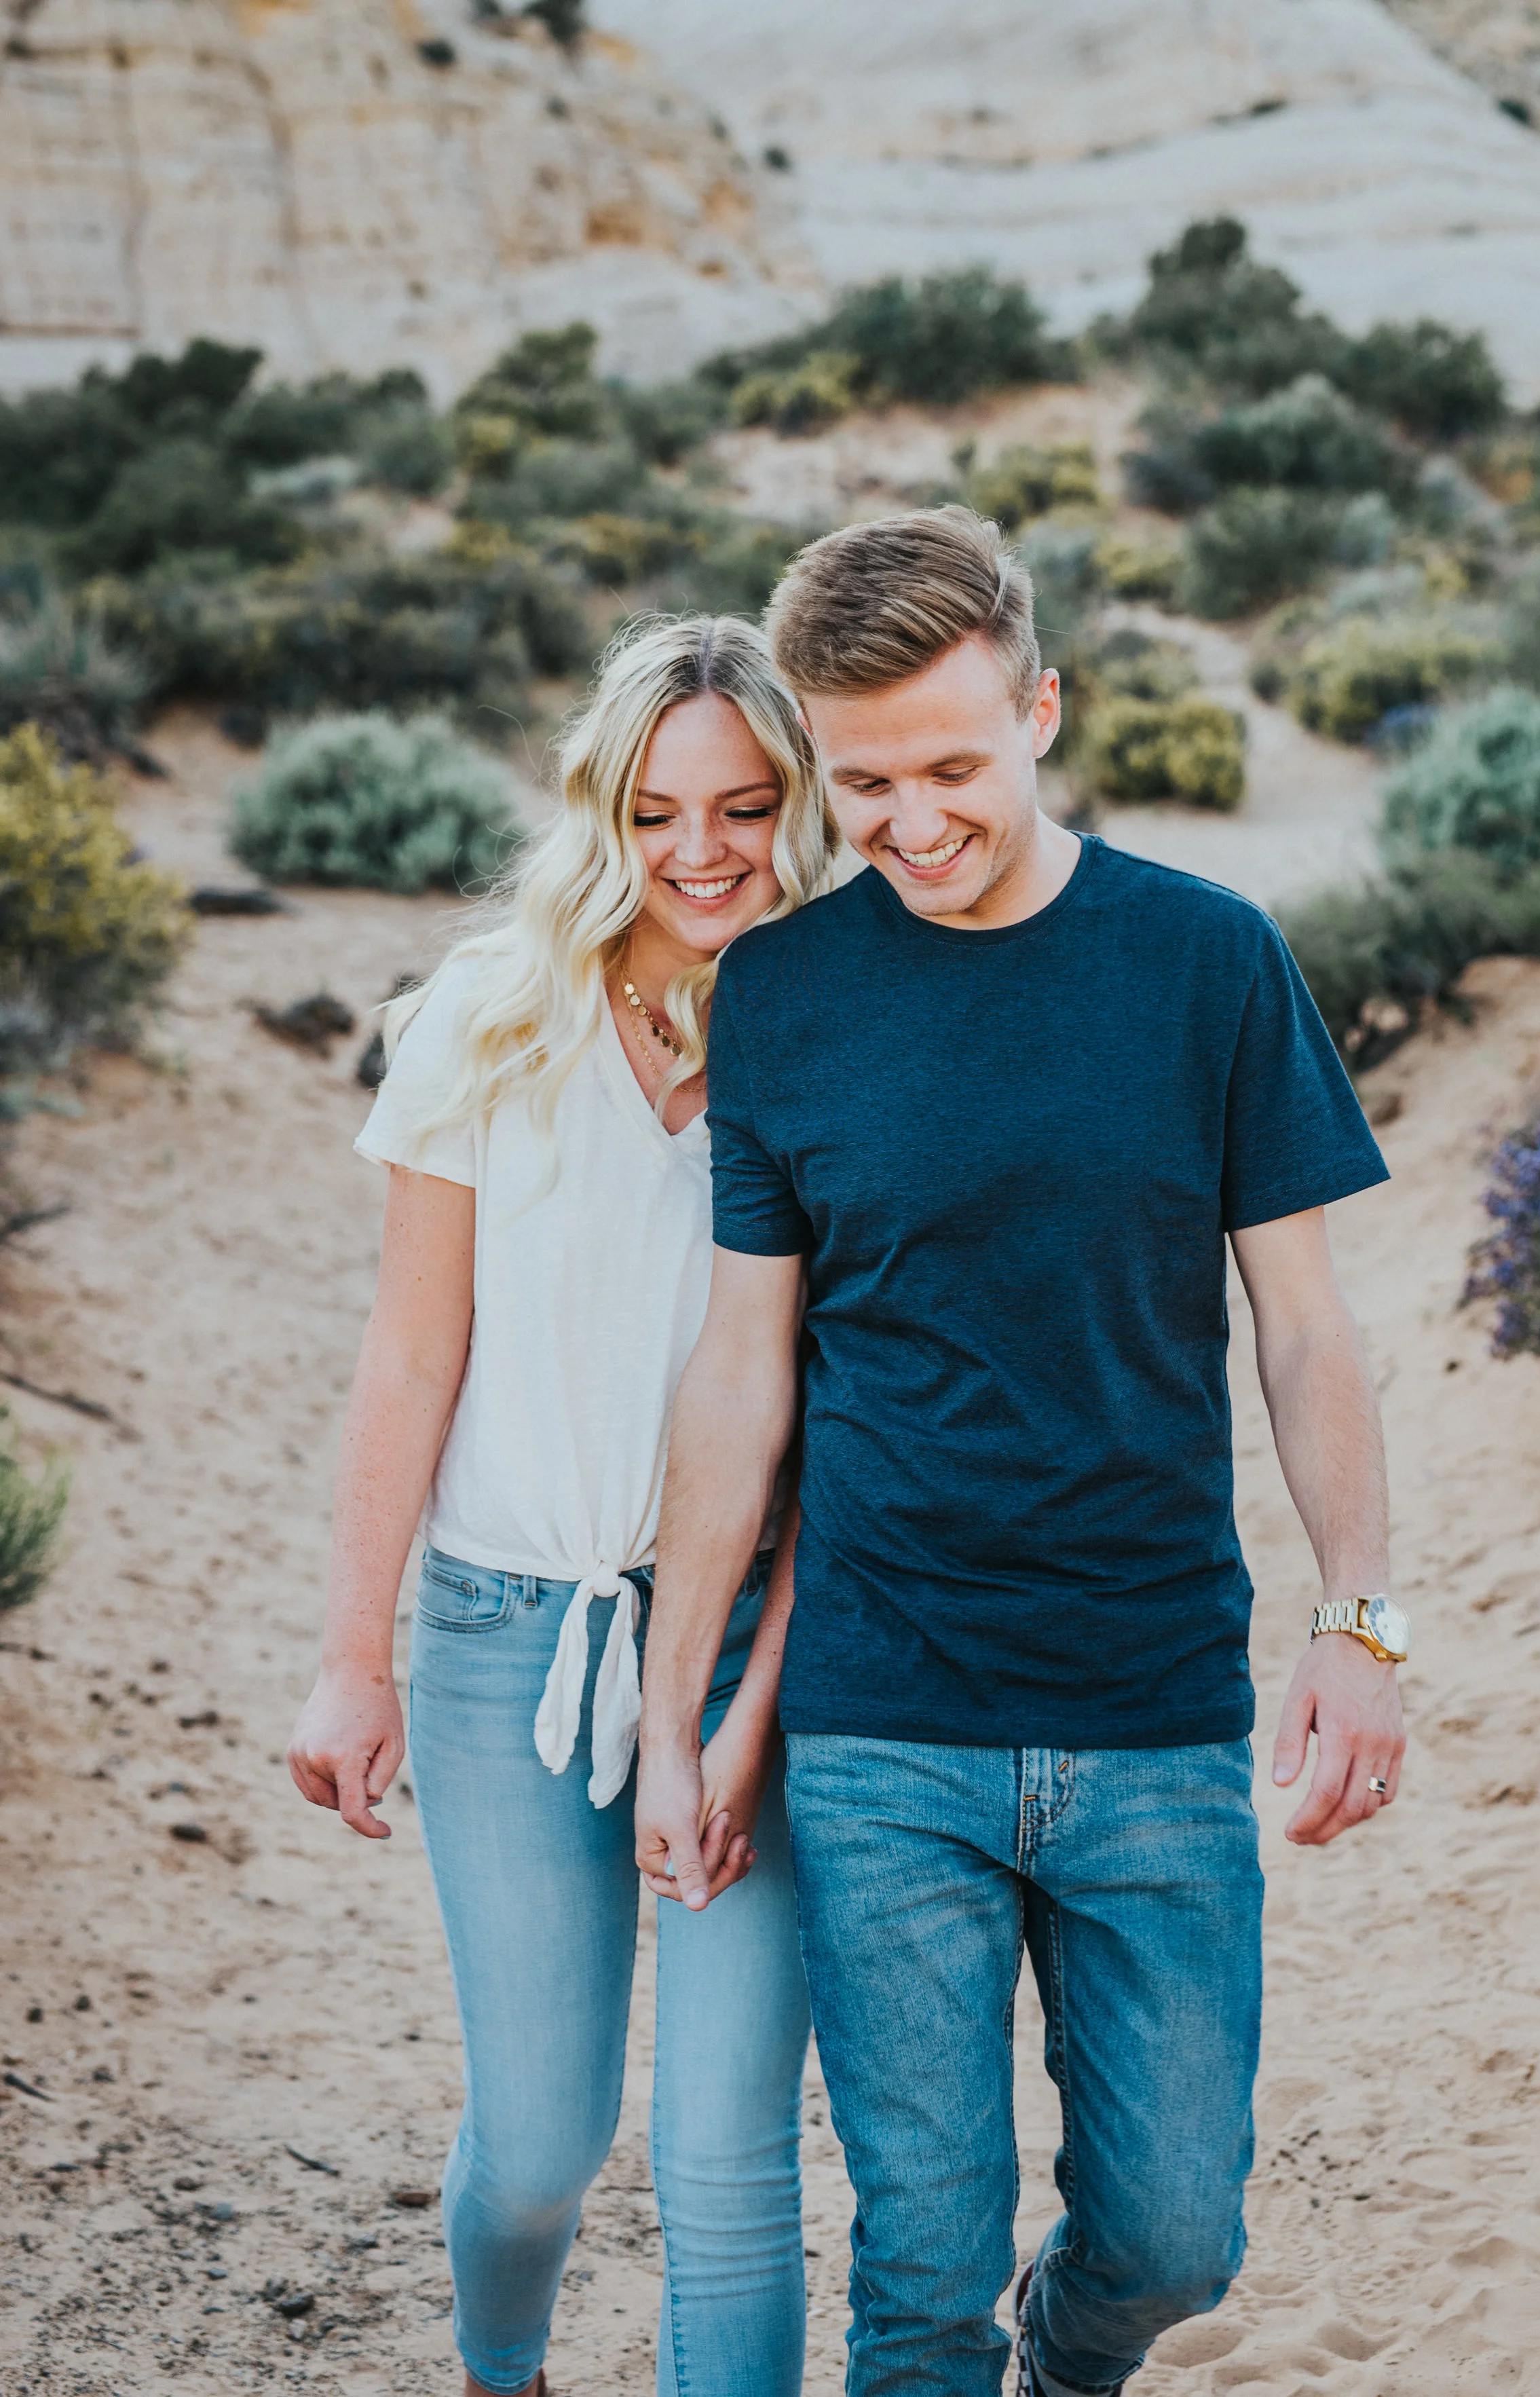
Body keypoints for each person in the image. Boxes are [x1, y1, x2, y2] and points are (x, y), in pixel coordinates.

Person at [635, 509, 1406, 2397]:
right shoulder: (788, 993)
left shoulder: (1207, 963)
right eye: (864, 778)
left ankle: (1073, 2365)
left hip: (1151, 1711)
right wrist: (677, 1717)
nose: (907, 822)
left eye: (953, 767)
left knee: (1170, 2236)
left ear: (1042, 709)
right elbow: (743, 1375)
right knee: (916, 2278)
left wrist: (1362, 1628)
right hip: (882, 1722)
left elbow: (1303, 1330)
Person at [286, 615, 835, 2397]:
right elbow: (406, 1357)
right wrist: (348, 1658)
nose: (701, 854)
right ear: (602, 810)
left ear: (796, 806)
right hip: (499, 1634)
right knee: (538, 2144)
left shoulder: (846, 1027)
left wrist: (749, 1699)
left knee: (733, 2167)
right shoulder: (488, 1013)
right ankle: (499, 2365)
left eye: (745, 809)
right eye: (658, 810)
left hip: (750, 1643)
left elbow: (844, 1414)